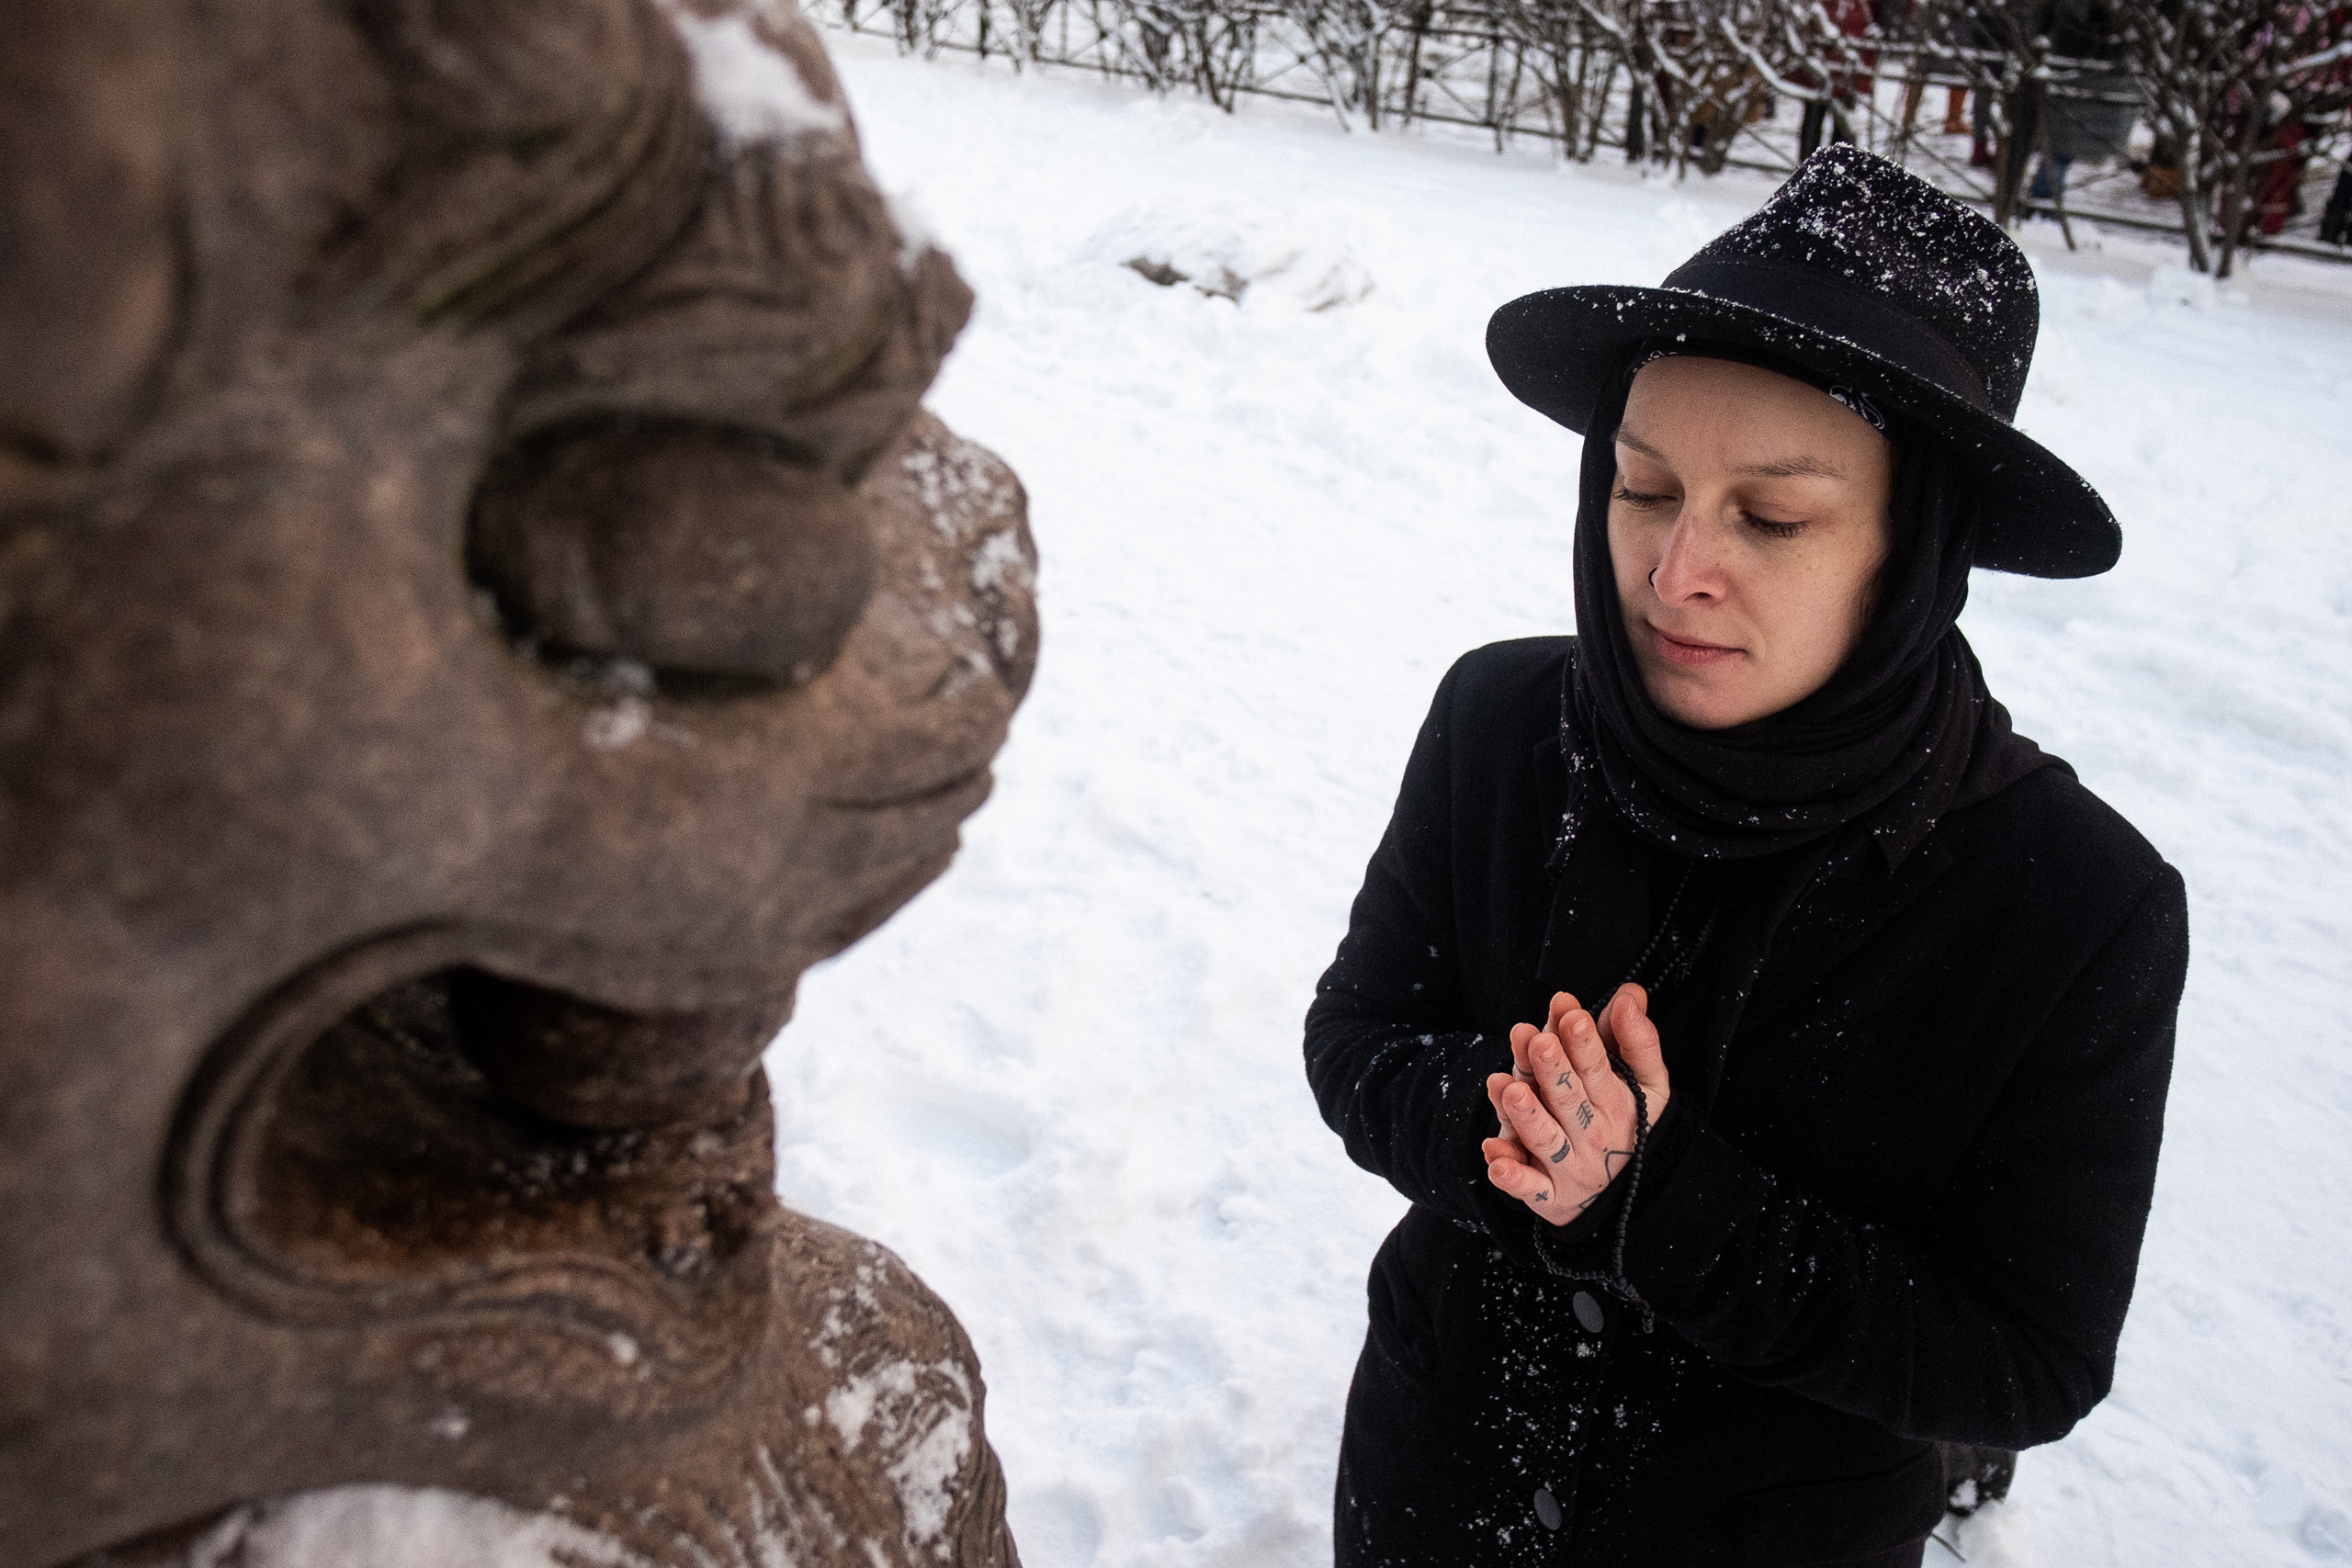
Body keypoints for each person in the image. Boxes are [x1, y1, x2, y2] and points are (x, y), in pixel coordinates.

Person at [1305, 145, 2188, 1568]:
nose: (1675, 574)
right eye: (1643, 488)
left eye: (1772, 518)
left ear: (1917, 548)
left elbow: (2023, 1359)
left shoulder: (2076, 904)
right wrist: (1510, 1122)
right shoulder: (1500, 722)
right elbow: (1359, 1039)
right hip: (1431, 1472)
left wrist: (1656, 1200)